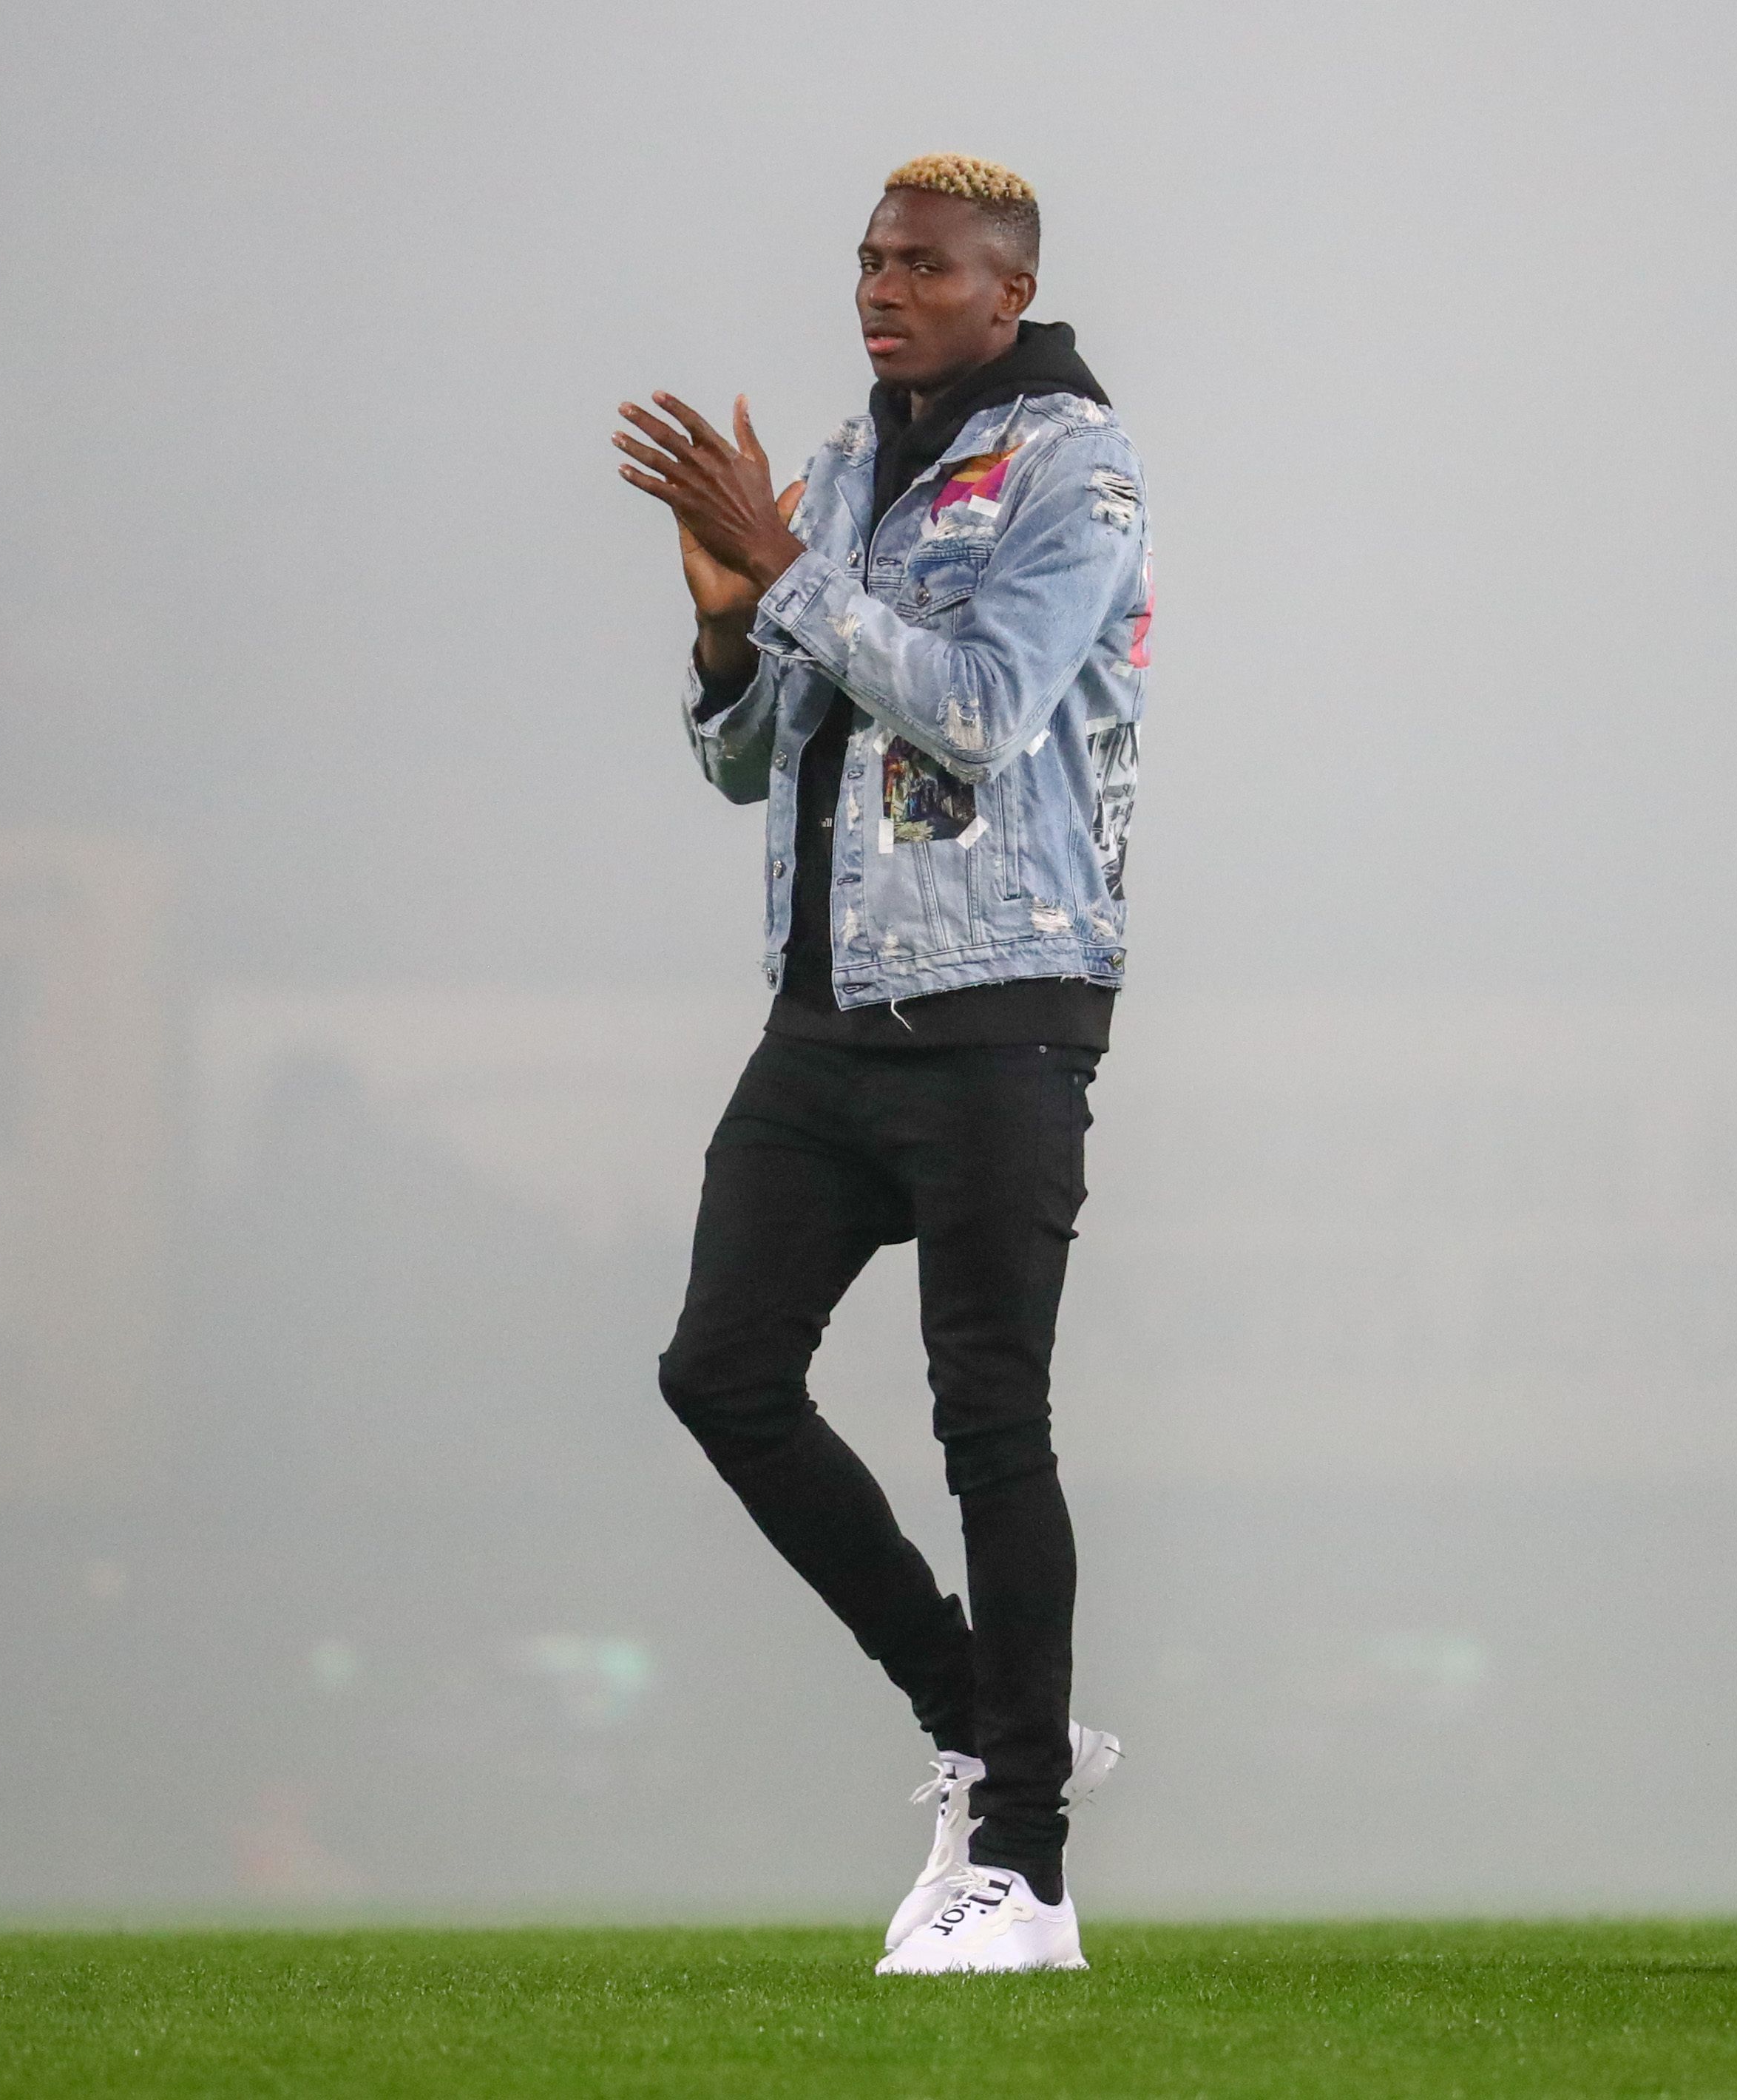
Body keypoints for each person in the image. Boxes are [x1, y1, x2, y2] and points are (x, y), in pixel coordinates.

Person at [613, 152, 1149, 1975]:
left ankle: (1029, 1870)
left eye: (922, 265)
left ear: (1007, 293)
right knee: (720, 1372)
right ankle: (979, 1707)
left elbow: (986, 707)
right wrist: (720, 617)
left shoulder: (1078, 466)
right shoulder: (846, 467)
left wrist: (789, 576)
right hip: (830, 1012)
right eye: (867, 259)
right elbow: (752, 759)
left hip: (1004, 1003)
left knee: (989, 1418)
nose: (881, 287)